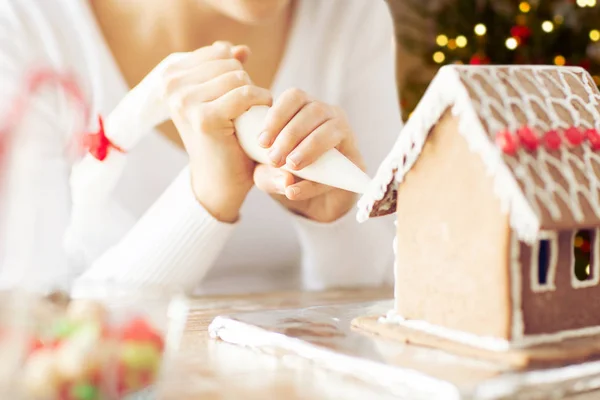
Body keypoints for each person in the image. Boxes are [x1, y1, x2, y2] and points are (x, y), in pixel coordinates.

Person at [0, 0, 402, 295]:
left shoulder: (349, 15)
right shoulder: (28, 29)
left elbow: (387, 294)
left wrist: (334, 223)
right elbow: (32, 331)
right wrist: (205, 199)